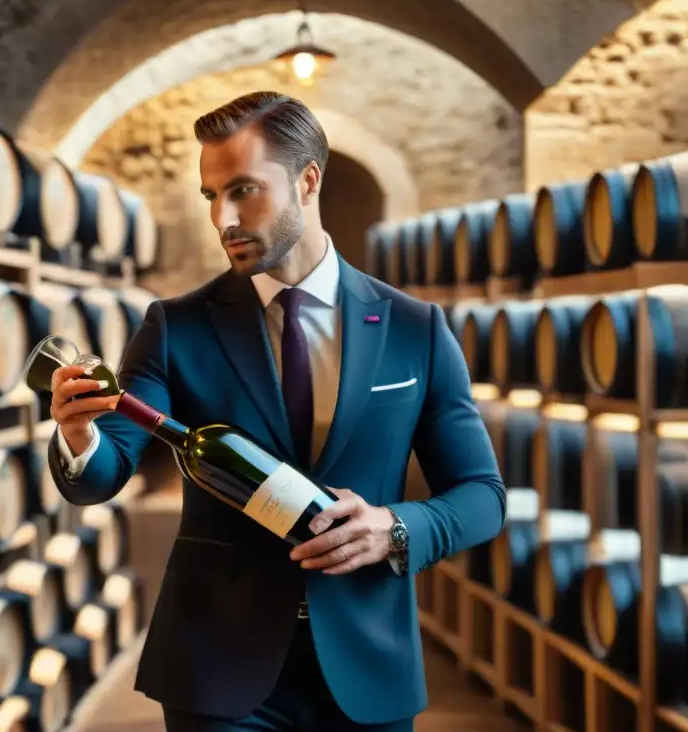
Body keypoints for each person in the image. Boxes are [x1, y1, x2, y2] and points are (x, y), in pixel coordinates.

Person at [45, 91, 506, 731]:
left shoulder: (414, 328)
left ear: (307, 181)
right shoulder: (176, 327)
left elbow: (482, 495)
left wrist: (393, 528)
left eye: (244, 190)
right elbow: (104, 471)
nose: (224, 218)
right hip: (217, 667)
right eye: (211, 196)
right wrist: (78, 434)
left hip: (367, 664)